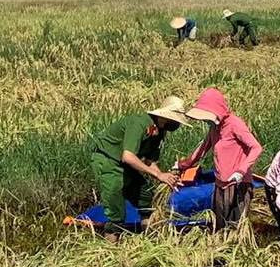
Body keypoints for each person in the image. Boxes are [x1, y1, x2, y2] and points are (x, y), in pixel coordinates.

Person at [88, 97, 191, 241]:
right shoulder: (139, 123)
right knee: (115, 203)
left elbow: (149, 160)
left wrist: (163, 175)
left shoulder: (160, 132)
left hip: (125, 164)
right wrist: (157, 174)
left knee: (145, 195)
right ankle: (110, 244)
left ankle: (149, 236)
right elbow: (128, 156)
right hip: (108, 161)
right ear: (165, 117)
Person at [180, 87, 264, 228]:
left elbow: (256, 148)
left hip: (238, 184)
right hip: (220, 184)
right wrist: (183, 165)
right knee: (220, 225)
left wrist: (241, 171)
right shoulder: (215, 128)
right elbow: (202, 149)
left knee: (235, 226)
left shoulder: (235, 124)